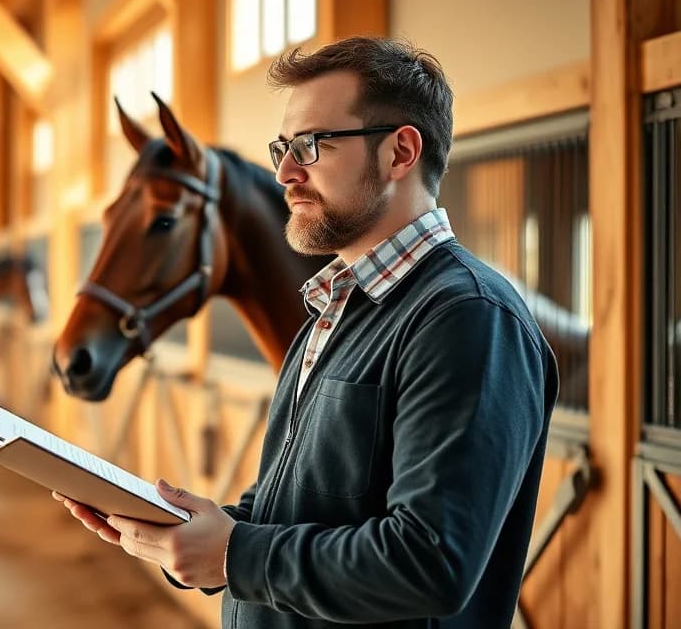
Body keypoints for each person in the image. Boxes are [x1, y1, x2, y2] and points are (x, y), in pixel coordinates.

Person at [54, 36, 559, 628]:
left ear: (400, 153)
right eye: (282, 147)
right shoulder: (335, 304)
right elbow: (303, 509)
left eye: (312, 145)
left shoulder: (468, 317)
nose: (286, 172)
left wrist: (234, 554)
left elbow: (430, 562)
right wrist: (179, 532)